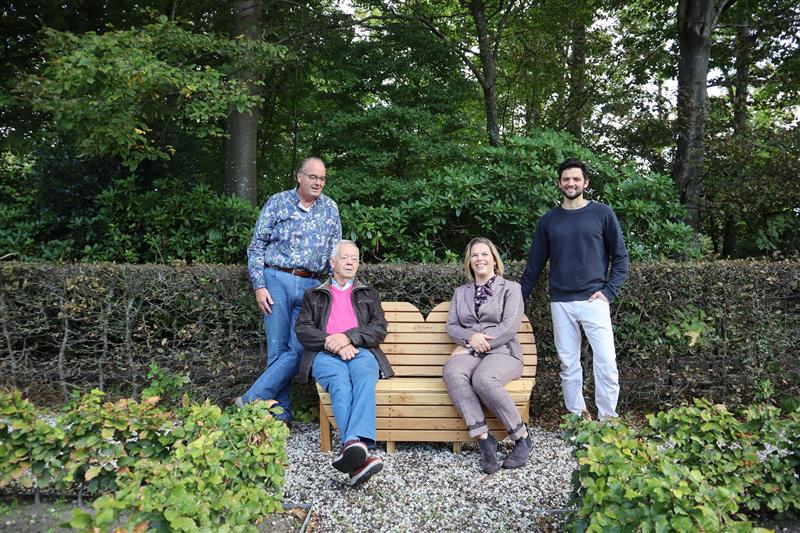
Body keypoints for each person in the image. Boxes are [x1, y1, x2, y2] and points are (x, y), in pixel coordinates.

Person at [520, 158, 630, 421]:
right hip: (560, 302)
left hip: (595, 301)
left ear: (586, 183)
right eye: (566, 179)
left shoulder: (602, 213)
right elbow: (534, 265)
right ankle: (577, 418)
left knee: (606, 364)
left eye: (576, 179)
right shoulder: (549, 221)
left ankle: (608, 420)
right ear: (560, 183)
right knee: (569, 365)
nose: (571, 183)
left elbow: (621, 257)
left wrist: (608, 292)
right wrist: (518, 299)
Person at [236, 157, 342, 424]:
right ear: (299, 176)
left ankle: (251, 398)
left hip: (312, 286)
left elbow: (336, 254)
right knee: (277, 349)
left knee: (301, 347)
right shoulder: (277, 202)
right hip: (277, 280)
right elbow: (257, 245)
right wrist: (259, 285)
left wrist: (331, 292)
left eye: (322, 178)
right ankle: (280, 414)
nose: (318, 182)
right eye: (313, 177)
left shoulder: (330, 208)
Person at [295, 240, 392, 486]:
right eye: (345, 257)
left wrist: (349, 337)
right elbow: (303, 330)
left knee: (363, 379)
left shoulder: (368, 293)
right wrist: (332, 341)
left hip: (361, 351)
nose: (350, 262)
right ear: (332, 262)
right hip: (326, 354)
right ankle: (360, 454)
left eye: (355, 258)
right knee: (339, 383)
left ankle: (351, 445)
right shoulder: (314, 294)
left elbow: (379, 329)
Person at [443, 237, 531, 474]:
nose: (479, 259)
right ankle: (484, 440)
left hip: (504, 352)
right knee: (452, 371)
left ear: (494, 259)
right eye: (474, 255)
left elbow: (509, 327)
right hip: (472, 349)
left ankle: (521, 437)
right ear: (469, 262)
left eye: (484, 254)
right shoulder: (461, 292)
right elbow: (452, 326)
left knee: (483, 378)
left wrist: (474, 344)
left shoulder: (512, 289)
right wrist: (469, 338)